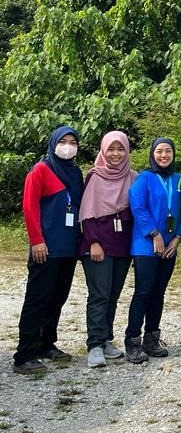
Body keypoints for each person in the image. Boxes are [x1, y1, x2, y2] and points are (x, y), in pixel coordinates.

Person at [14, 126, 84, 374]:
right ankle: (25, 354)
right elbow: (29, 206)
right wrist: (36, 241)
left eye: (72, 141)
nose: (68, 146)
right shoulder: (41, 170)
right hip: (45, 248)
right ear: (53, 143)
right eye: (63, 141)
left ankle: (46, 344)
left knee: (57, 299)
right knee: (37, 300)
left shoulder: (75, 173)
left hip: (68, 248)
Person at [80, 131, 138, 369]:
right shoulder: (95, 176)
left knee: (113, 294)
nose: (116, 154)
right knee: (99, 293)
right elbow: (86, 213)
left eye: (120, 149)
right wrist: (93, 242)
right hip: (97, 244)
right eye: (111, 149)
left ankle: (105, 340)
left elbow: (138, 210)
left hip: (122, 244)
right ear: (103, 150)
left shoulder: (133, 177)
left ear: (127, 151)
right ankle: (94, 344)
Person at [124, 138, 181, 363]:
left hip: (170, 245)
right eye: (159, 151)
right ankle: (132, 340)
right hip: (146, 244)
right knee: (144, 291)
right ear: (153, 154)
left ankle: (152, 338)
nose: (164, 155)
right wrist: (155, 234)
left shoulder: (179, 179)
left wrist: (177, 237)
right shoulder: (144, 178)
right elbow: (137, 207)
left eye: (168, 151)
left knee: (159, 292)